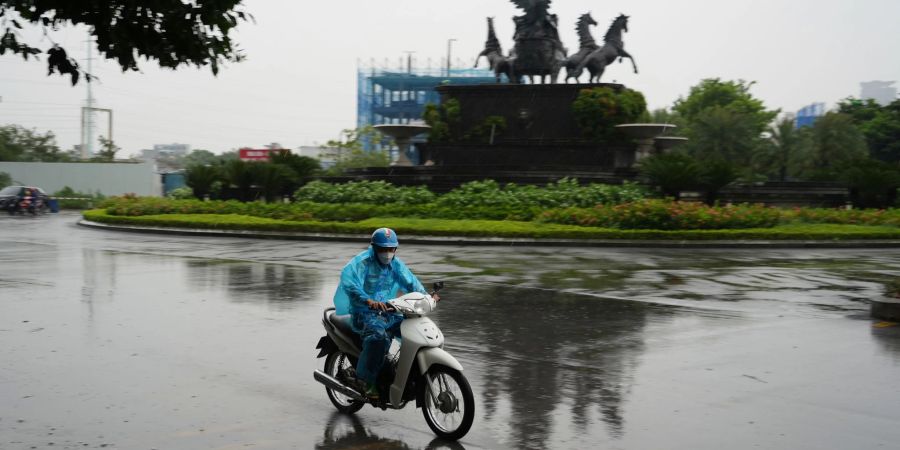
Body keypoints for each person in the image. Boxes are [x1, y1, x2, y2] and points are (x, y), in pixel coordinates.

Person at [332, 228, 438, 399]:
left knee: (412, 330)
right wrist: (368, 301)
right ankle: (364, 380)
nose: (387, 253)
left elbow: (411, 282)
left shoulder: (395, 264)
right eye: (383, 249)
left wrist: (427, 296)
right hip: (363, 313)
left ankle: (400, 372)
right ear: (374, 248)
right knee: (379, 337)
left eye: (391, 249)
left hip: (388, 310)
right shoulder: (362, 263)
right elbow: (350, 283)